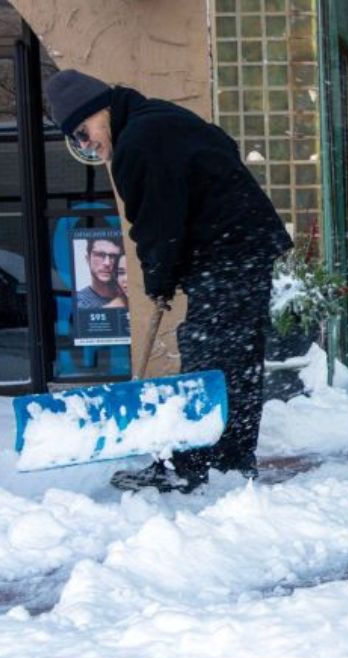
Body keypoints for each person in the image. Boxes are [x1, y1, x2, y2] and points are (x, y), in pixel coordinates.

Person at [46, 69, 293, 492]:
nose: (87, 144)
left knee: (208, 357)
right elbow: (219, 151)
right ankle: (230, 462)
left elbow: (158, 225)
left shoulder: (138, 144)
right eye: (78, 140)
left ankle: (193, 467)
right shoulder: (156, 117)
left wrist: (160, 279)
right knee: (236, 359)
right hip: (243, 247)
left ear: (99, 111)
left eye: (84, 132)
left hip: (227, 252)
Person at [75, 235, 124, 309]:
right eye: (100, 255)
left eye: (113, 256)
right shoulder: (78, 301)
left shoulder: (130, 293)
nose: (107, 263)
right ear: (88, 259)